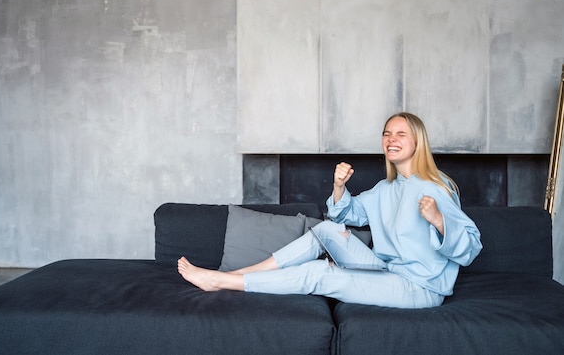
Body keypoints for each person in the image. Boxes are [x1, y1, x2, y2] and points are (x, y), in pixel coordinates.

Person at [178, 112, 482, 308]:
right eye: (387, 133)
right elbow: (344, 216)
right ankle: (242, 273)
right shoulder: (385, 189)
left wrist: (440, 221)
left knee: (320, 274)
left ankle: (223, 281)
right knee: (324, 230)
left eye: (401, 134)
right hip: (386, 269)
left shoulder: (435, 187)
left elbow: (470, 249)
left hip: (419, 287)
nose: (391, 139)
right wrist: (339, 186)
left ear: (418, 141)